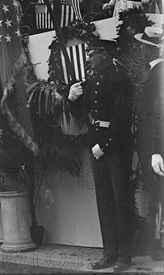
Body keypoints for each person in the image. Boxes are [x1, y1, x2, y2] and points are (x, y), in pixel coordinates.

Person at [68, 39, 134, 272]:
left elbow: (123, 117)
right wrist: (73, 99)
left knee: (121, 201)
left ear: (104, 54)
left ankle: (125, 256)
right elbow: (82, 115)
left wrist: (104, 145)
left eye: (92, 53)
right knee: (104, 202)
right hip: (97, 145)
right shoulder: (92, 81)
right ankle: (110, 253)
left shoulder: (120, 79)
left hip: (116, 147)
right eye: (87, 53)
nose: (87, 57)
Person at [135, 26, 164, 260]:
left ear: (151, 50)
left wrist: (156, 151)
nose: (141, 50)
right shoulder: (152, 73)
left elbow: (158, 114)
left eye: (144, 47)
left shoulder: (160, 74)